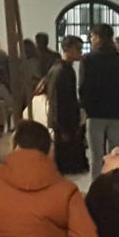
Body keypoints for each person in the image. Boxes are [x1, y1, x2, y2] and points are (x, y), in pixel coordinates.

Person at [79, 24, 119, 178]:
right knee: (115, 156)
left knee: (96, 157)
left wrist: (86, 108)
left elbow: (83, 88)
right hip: (118, 113)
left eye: (92, 36)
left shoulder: (88, 60)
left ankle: (97, 190)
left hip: (96, 114)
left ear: (98, 37)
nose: (91, 40)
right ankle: (115, 187)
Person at [38, 36, 88, 175]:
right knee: (65, 162)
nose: (80, 52)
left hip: (64, 120)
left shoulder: (61, 68)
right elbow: (58, 100)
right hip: (63, 121)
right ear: (69, 49)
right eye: (78, 49)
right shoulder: (62, 71)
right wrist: (63, 125)